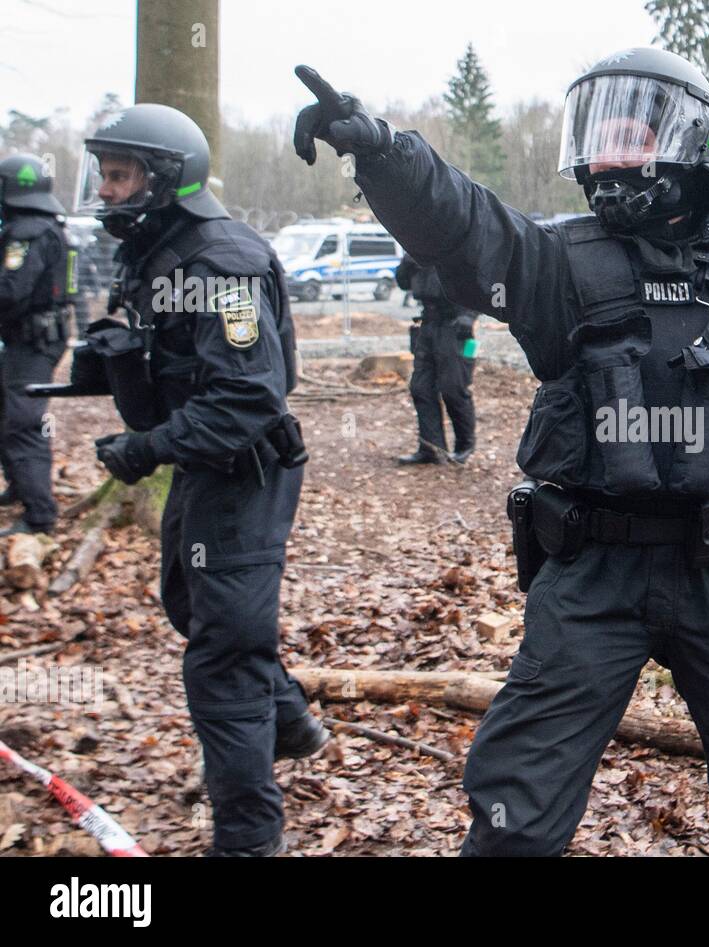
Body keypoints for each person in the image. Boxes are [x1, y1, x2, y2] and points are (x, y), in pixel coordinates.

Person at [294, 47, 709, 856]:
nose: (608, 155)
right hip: (594, 566)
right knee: (517, 804)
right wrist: (384, 152)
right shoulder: (559, 263)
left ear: (688, 143)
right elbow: (467, 227)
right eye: (598, 137)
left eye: (630, 136)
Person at [74, 103, 326, 856]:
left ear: (165, 178)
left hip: (243, 470)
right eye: (106, 174)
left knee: (222, 657)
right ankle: (289, 721)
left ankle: (249, 838)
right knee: (191, 604)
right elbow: (183, 377)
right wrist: (121, 359)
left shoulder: (221, 261)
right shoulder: (159, 253)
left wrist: (148, 446)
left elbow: (250, 396)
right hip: (204, 463)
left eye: (122, 175)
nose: (109, 189)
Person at [0, 153, 71, 536]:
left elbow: (11, 291)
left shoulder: (28, 232)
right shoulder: (47, 226)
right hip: (33, 340)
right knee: (7, 415)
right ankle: (19, 486)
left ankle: (40, 514)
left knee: (23, 424)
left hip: (31, 343)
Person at [393, 253, 477, 464]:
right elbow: (403, 282)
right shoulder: (416, 249)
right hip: (427, 325)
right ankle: (431, 448)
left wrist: (469, 316)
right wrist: (409, 258)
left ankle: (464, 446)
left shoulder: (453, 243)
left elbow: (480, 283)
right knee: (421, 387)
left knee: (453, 388)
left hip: (455, 327)